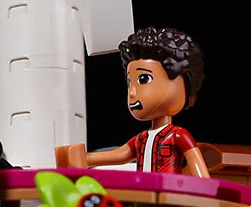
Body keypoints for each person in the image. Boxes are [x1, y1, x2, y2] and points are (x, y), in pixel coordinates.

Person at [56, 26, 209, 178]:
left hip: (168, 191)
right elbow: (118, 155)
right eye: (130, 82)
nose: (132, 92)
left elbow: (199, 171)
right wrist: (80, 158)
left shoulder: (178, 136)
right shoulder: (140, 139)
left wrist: (206, 189)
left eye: (144, 79)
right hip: (143, 190)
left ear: (180, 83)